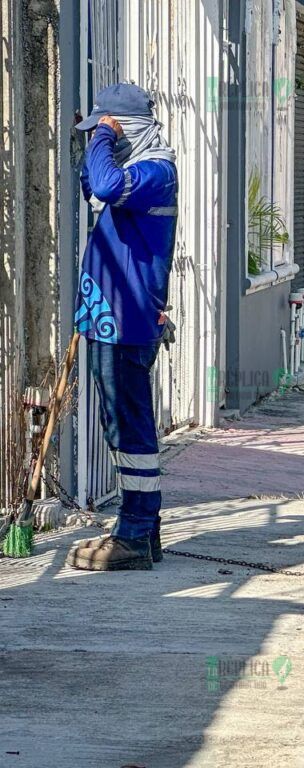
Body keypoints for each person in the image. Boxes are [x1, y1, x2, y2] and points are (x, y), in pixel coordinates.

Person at [66, 83, 178, 571]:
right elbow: (95, 188)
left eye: (110, 129)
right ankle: (144, 531)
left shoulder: (157, 171)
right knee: (124, 421)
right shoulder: (138, 171)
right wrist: (89, 145)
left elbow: (108, 186)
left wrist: (103, 141)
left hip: (127, 319)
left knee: (129, 425)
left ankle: (135, 529)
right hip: (112, 316)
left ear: (128, 129)